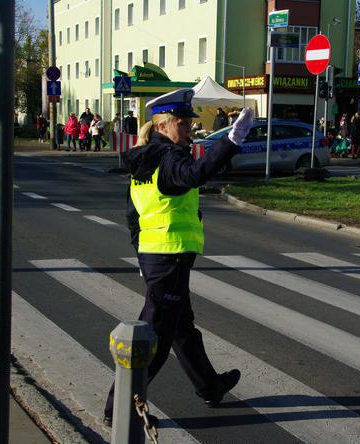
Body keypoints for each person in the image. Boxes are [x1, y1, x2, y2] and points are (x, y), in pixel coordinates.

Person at [103, 88, 253, 426]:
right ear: (163, 126)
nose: (190, 128)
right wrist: (231, 141)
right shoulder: (169, 158)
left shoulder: (145, 159)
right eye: (184, 123)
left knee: (183, 328)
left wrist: (142, 255)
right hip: (168, 259)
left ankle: (210, 387)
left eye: (189, 123)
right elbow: (195, 174)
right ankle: (120, 408)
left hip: (159, 257)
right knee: (153, 338)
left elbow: (133, 215)